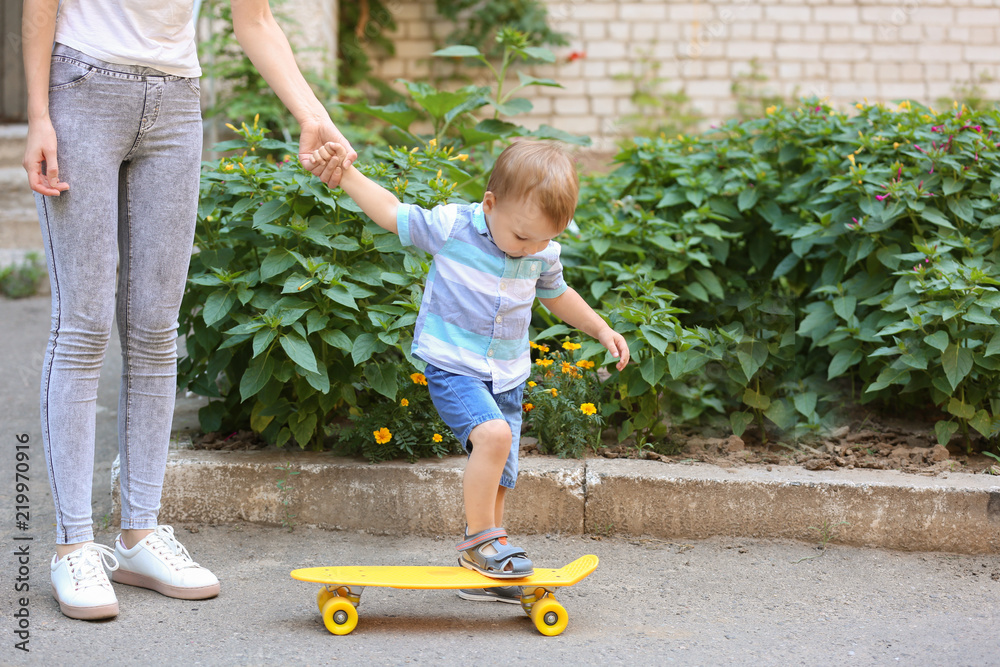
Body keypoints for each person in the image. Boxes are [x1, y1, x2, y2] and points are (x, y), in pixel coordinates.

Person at [22, 0, 356, 621]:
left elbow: (254, 18)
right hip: (83, 84)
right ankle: (73, 544)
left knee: (154, 329)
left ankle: (139, 535)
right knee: (84, 326)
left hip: (176, 101)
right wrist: (38, 114)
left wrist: (315, 116)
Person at [308, 139, 630, 602]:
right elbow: (393, 212)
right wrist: (347, 175)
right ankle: (482, 543)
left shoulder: (540, 249)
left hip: (508, 373)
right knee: (494, 437)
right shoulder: (453, 226)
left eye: (545, 239)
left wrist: (600, 328)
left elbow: (557, 294)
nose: (532, 248)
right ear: (490, 203)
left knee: (502, 470)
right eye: (522, 237)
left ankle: (487, 558)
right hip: (454, 366)